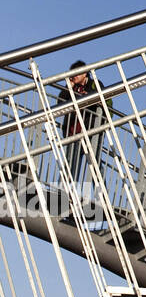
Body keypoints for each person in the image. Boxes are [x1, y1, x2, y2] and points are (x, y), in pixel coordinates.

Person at [54, 60, 105, 203]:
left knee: (94, 162)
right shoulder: (71, 87)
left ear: (84, 73)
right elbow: (59, 104)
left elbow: (99, 100)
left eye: (76, 74)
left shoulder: (94, 84)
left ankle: (103, 196)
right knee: (71, 162)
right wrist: (68, 88)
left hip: (89, 131)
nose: (73, 77)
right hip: (73, 132)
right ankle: (65, 193)